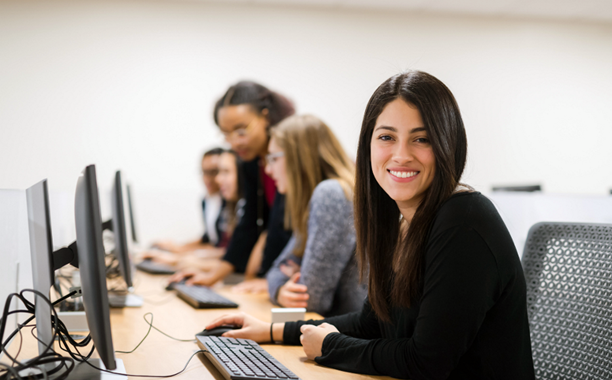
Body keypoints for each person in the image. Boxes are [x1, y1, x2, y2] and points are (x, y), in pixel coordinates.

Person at [204, 71, 535, 379]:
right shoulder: (400, 221)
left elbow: (429, 360)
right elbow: (369, 323)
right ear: (369, 145)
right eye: (387, 137)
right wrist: (272, 330)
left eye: (422, 139)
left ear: (448, 144)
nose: (401, 155)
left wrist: (331, 347)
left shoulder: (464, 221)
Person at [170, 81, 294, 288]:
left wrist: (268, 282)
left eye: (241, 130)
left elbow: (289, 231)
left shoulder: (289, 159)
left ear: (266, 117)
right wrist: (212, 276)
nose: (235, 142)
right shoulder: (251, 162)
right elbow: (249, 224)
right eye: (226, 134)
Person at [264, 114, 366, 317]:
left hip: (354, 338)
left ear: (299, 157)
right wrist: (280, 290)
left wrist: (283, 288)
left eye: (274, 158)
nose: (268, 169)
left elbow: (311, 300)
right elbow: (276, 269)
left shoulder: (332, 194)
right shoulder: (323, 196)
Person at [151, 148, 227, 257]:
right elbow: (208, 238)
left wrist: (181, 252)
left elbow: (221, 246)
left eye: (213, 172)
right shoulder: (205, 201)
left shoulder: (230, 203)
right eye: (204, 172)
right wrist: (177, 247)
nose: (207, 178)